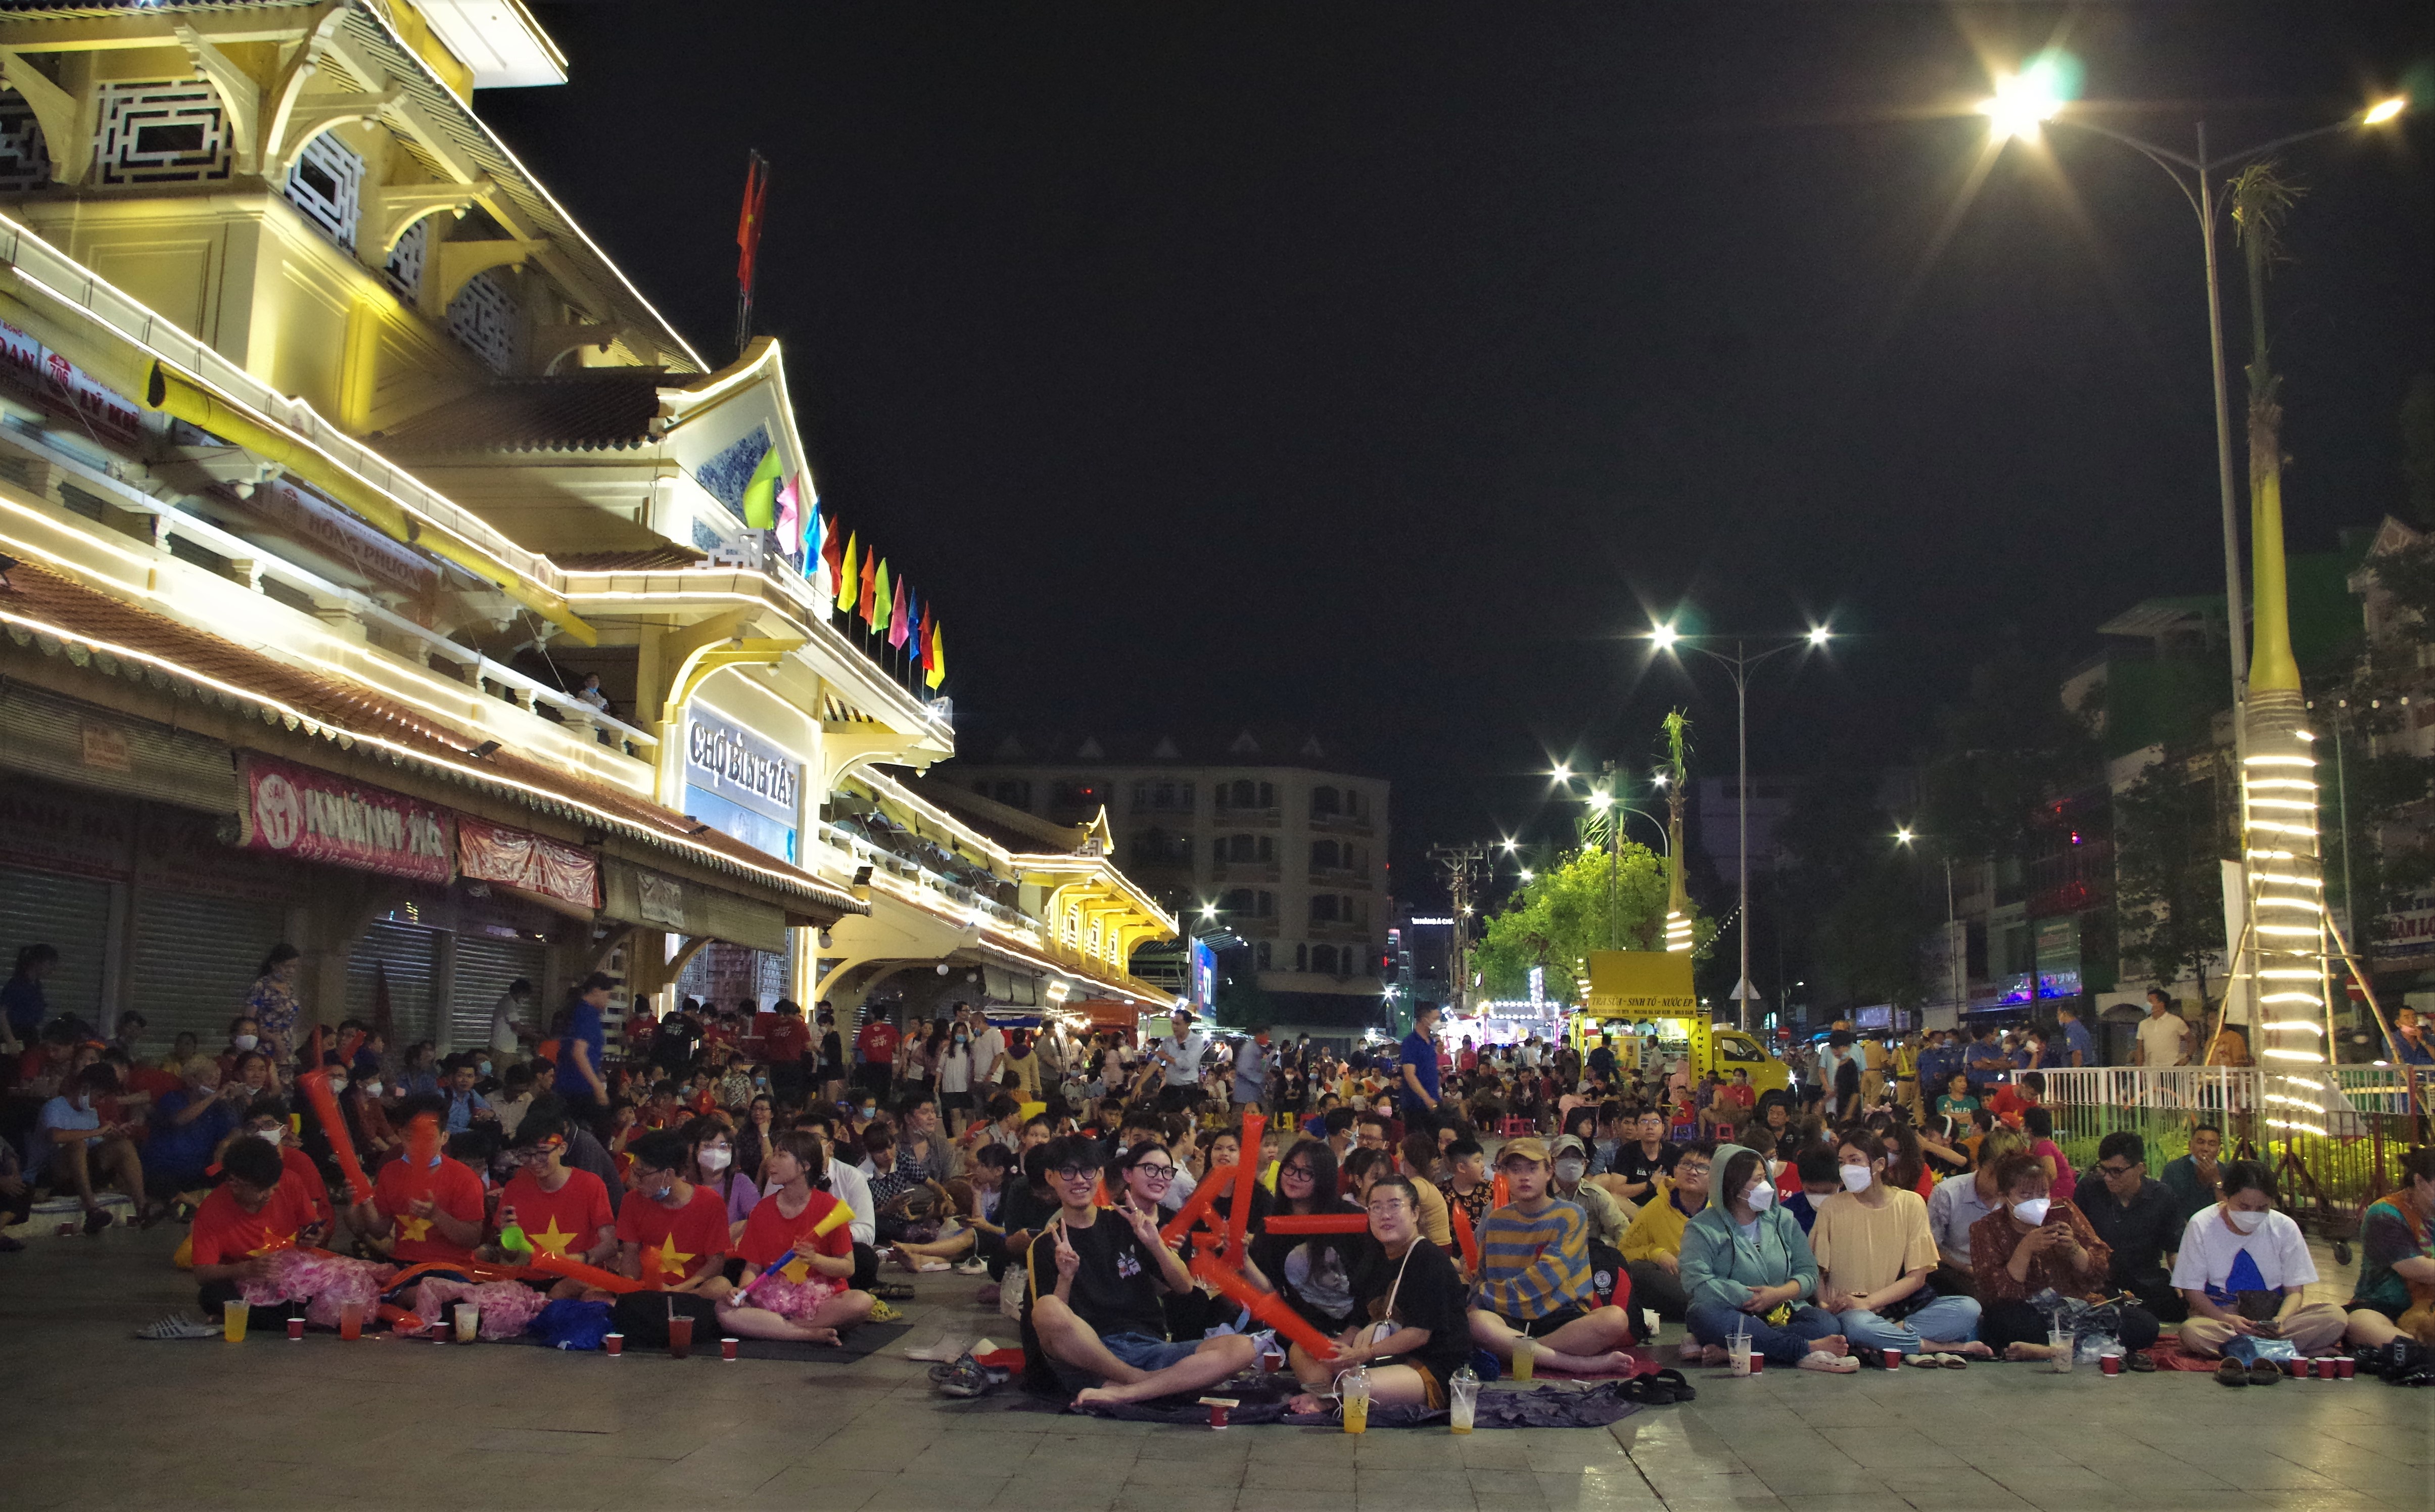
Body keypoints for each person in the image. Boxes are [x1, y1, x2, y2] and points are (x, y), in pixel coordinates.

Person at [1021, 1135, 1258, 1404]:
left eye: (1087, 1171)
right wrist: (1066, 1277)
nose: (1079, 1180)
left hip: (1148, 1348)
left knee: (1244, 1347)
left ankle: (1129, 1392)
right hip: (1091, 1357)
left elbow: (1184, 1288)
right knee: (1047, 1308)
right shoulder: (1046, 1244)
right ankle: (1149, 1383)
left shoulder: (1126, 1222)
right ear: (1051, 1178)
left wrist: (1155, 1243)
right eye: (1067, 1172)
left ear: (1100, 1174)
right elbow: (1051, 1328)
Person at [1284, 1174, 1474, 1412]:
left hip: (1428, 1367)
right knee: (1300, 1349)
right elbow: (1359, 1321)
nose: (1385, 1215)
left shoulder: (1429, 1259)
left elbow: (1419, 1335)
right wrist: (1335, 1351)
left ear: (1415, 1213)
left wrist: (1362, 1354)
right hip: (1378, 1360)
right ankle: (1331, 1392)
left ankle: (1331, 1398)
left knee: (1360, 1383)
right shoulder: (1375, 1257)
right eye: (1376, 1207)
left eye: (1395, 1206)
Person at [1808, 1128, 1988, 1362]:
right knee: (1855, 1326)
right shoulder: (1831, 1207)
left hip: (1894, 1310)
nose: (1846, 1169)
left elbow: (1917, 1277)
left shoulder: (1910, 1204)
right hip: (1849, 1313)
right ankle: (1935, 1347)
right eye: (1842, 1162)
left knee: (1968, 1308)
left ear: (1879, 1164)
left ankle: (1888, 1340)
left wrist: (1869, 1303)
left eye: (1855, 1161)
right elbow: (1817, 1270)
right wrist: (1825, 1305)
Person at [1680, 1141, 1856, 1373]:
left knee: (1827, 1324)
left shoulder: (1784, 1220)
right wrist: (1751, 1298)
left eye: (1765, 1177)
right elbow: (1697, 1283)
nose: (1766, 1185)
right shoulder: (1702, 1228)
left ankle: (1734, 1351)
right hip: (1729, 1311)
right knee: (1704, 1315)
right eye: (1757, 1180)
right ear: (1733, 1186)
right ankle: (1806, 1349)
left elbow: (1809, 1273)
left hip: (1782, 1310)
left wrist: (1777, 1295)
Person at [1465, 1137, 1638, 1373]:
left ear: (1549, 1172)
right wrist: (1476, 1303)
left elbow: (1548, 1275)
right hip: (1508, 1315)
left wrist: (1487, 1295)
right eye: (1515, 1170)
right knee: (1476, 1322)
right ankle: (1573, 1363)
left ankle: (1518, 1352)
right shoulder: (1496, 1219)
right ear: (1504, 1175)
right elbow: (1482, 1274)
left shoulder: (1570, 1215)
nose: (1524, 1177)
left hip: (1559, 1315)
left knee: (1615, 1319)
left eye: (1532, 1168)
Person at [1968, 1151, 2158, 1362]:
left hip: (2079, 1309)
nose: (2036, 1202)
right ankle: (2089, 1346)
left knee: (2145, 1325)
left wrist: (2074, 1249)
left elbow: (2100, 1270)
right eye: (2025, 1195)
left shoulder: (2063, 1210)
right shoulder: (1985, 1228)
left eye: (2042, 1194)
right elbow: (1995, 1295)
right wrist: (2025, 1249)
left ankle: (2050, 1350)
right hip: (2031, 1314)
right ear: (2004, 1196)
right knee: (2003, 1322)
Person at [2171, 1160, 2347, 1359]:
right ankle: (2287, 1352)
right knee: (2193, 1332)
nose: (2252, 1215)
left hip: (2274, 1323)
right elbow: (2192, 1291)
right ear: (2226, 1196)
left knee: (2335, 1318)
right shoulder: (2201, 1224)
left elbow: (2295, 1292)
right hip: (2226, 1323)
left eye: (2262, 1208)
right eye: (2244, 1206)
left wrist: (2281, 1320)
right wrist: (2227, 1319)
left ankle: (2248, 1351)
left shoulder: (2285, 1227)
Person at [718, 1131, 876, 1343]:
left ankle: (779, 1329)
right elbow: (752, 1268)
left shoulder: (830, 1207)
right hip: (772, 1298)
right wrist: (742, 1292)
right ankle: (807, 1334)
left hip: (821, 1301)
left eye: (781, 1156)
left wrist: (815, 1260)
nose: (771, 1162)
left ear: (805, 1165)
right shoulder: (762, 1210)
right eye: (773, 1155)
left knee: (861, 1302)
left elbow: (847, 1268)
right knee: (723, 1308)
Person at [1250, 1138, 1372, 1338]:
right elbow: (1271, 1289)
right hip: (1299, 1332)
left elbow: (1371, 1287)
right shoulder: (1272, 1224)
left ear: (1323, 1179)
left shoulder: (1349, 1220)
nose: (1294, 1177)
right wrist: (1243, 1257)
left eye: (1306, 1172)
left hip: (1355, 1331)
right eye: (1290, 1167)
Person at [186, 1136, 320, 1318]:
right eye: (261, 1190)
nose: (269, 1196)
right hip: (247, 1286)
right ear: (234, 1183)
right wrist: (246, 1269)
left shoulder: (291, 1181)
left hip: (293, 1277)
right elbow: (202, 1274)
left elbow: (315, 1224)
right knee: (211, 1296)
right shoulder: (211, 1212)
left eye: (274, 1188)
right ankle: (288, 1319)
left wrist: (315, 1235)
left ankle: (282, 1318)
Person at [344, 1097, 485, 1265]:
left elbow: (473, 1240)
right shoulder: (390, 1172)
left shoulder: (465, 1178)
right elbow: (380, 1232)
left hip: (450, 1268)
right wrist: (365, 1198)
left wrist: (436, 1215)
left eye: (428, 1138)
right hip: (404, 1265)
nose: (419, 1147)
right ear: (400, 1135)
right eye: (411, 1138)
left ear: (444, 1137)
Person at [2076, 1131, 2187, 1331]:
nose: (2108, 1178)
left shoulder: (2162, 1197)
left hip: (2147, 1283)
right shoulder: (2089, 1190)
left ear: (2140, 1169)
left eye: (2117, 1171)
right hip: (2101, 1283)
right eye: (2104, 1170)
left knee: (2181, 1306)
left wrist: (2183, 1280)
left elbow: (2174, 1248)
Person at [615, 1129, 733, 1293]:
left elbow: (716, 1263)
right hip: (648, 1289)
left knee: (721, 1286)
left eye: (641, 1175)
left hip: (690, 1291)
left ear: (668, 1174)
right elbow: (630, 1256)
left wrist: (679, 1290)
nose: (634, 1181)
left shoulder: (710, 1202)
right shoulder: (631, 1200)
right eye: (634, 1172)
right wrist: (631, 1286)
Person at [37, 1064, 152, 1231]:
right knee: (77, 1145)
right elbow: (55, 1137)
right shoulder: (55, 1107)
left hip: (86, 1170)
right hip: (56, 1173)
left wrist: (112, 1136)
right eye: (100, 1095)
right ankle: (92, 1210)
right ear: (86, 1088)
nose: (101, 1101)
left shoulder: (91, 1112)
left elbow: (95, 1144)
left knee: (123, 1146)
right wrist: (96, 1131)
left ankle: (142, 1210)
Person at [2343, 1146, 2435, 1350]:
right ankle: (2417, 1353)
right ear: (2420, 1181)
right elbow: (2412, 1267)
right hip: (2384, 1307)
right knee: (2361, 1323)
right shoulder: (2385, 1213)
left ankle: (2417, 1355)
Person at [498, 1112, 617, 1264]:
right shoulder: (515, 1188)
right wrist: (507, 1237)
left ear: (562, 1148)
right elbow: (510, 1257)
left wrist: (578, 1260)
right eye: (526, 1155)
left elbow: (610, 1245)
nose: (534, 1162)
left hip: (578, 1276)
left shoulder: (591, 1185)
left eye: (542, 1153)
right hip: (530, 1278)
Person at [1925, 1126, 2028, 1294]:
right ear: (1979, 1165)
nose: (2003, 1184)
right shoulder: (1948, 1193)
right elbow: (1930, 1248)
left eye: (2009, 1177)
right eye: (1995, 1176)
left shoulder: (2017, 1196)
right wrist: (1968, 1270)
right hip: (1955, 1273)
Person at [553, 973, 614, 1129]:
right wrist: (598, 1087)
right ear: (597, 991)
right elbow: (578, 1053)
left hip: (570, 1084)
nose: (608, 1000)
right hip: (579, 1088)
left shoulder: (579, 1011)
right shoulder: (586, 1014)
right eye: (607, 995)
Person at [241, 944, 303, 1064]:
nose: (291, 971)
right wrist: (274, 1039)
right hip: (266, 1048)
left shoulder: (290, 988)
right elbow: (249, 1020)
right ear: (274, 965)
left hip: (287, 1049)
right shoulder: (261, 987)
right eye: (286, 967)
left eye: (294, 967)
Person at [2161, 1124, 2226, 1232]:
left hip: (2217, 1231)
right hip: (2182, 1232)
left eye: (2212, 1144)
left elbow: (2229, 1209)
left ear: (2220, 1149)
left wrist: (2216, 1180)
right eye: (2201, 1142)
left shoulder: (2227, 1172)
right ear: (2190, 1145)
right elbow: (2167, 1208)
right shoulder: (2174, 1169)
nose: (2205, 1149)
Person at [1612, 1111, 1680, 1205]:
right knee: (1615, 1198)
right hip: (1634, 1206)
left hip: (1665, 1206)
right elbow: (1617, 1191)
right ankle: (1644, 1219)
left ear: (1663, 1128)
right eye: (1644, 1122)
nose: (1650, 1127)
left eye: (1655, 1122)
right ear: (1637, 1128)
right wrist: (1650, 1184)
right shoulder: (1626, 1151)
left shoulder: (1674, 1152)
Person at [1150, 1009, 1208, 1114]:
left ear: (1188, 1024)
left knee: (1186, 1119)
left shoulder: (1197, 1041)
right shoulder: (1168, 1041)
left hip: (1187, 1089)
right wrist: (1139, 1084)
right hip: (1170, 1088)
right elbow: (1156, 1062)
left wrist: (1166, 1057)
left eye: (1178, 1024)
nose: (1174, 1027)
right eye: (1173, 1023)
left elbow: (1187, 1064)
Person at [1398, 1003, 1443, 1128]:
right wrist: (1426, 1098)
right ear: (1424, 1020)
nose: (1438, 1022)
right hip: (1416, 1104)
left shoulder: (1431, 1042)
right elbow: (1409, 1074)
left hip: (1432, 1100)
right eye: (1435, 1019)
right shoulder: (1411, 1042)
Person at [439, 1056, 494, 1135]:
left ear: (475, 1079)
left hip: (465, 1136)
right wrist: (468, 1132)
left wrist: (489, 1114)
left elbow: (489, 1111)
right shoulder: (442, 1095)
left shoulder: (472, 1094)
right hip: (445, 1137)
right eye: (460, 1076)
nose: (465, 1080)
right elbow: (438, 1125)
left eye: (470, 1076)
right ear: (451, 1078)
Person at [2135, 989, 2189, 1068]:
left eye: (2151, 1001)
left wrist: (2187, 1058)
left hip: (2171, 1068)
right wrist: (2139, 1070)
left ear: (2161, 1004)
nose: (2147, 1004)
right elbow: (2140, 1049)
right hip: (2150, 1069)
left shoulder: (2176, 1021)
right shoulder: (2143, 1024)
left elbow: (2191, 1041)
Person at [488, 979, 535, 1059]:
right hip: (502, 1051)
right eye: (524, 996)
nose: (525, 999)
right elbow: (516, 1027)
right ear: (519, 992)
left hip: (501, 1049)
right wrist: (533, 1034)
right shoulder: (509, 1004)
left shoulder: (507, 1001)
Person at [1232, 1026, 1272, 1111]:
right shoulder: (1249, 1048)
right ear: (1258, 1035)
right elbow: (1244, 1069)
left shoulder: (1256, 1048)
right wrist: (1261, 1078)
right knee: (1244, 1121)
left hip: (1254, 1094)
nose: (1267, 1038)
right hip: (1246, 1095)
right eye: (1266, 1035)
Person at [2057, 1004, 2096, 1068]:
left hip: (2081, 1070)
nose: (2058, 1018)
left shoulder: (2072, 1029)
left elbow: (2077, 1053)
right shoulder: (2079, 1026)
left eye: (2059, 1014)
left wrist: (2075, 1073)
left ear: (2065, 1014)